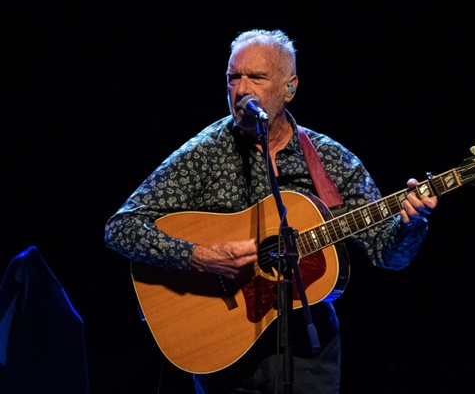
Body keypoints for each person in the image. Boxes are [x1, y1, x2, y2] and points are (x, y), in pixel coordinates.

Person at [104, 28, 438, 394]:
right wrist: (200, 256)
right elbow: (121, 227)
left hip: (308, 348)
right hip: (222, 343)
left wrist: (412, 222)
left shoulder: (329, 159)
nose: (242, 89)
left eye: (257, 77)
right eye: (233, 77)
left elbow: (387, 254)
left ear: (289, 88)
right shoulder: (206, 152)